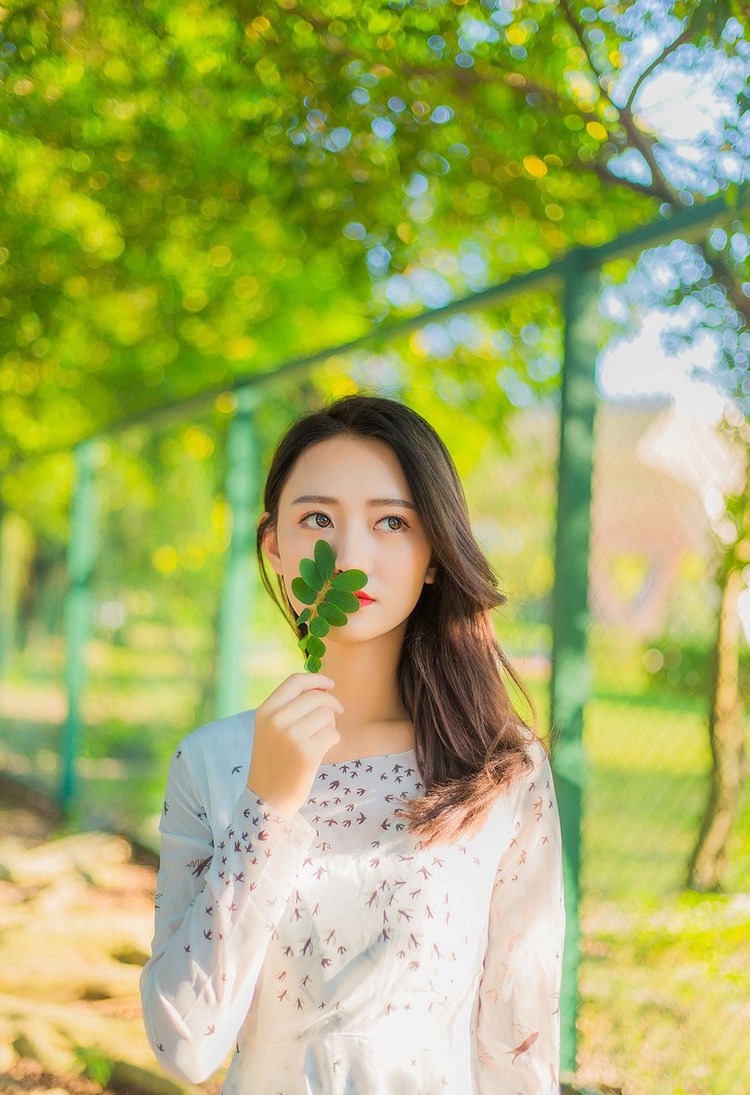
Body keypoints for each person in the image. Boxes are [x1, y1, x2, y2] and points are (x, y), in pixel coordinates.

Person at [140, 394, 565, 1095]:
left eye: (391, 521)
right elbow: (184, 1045)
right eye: (317, 518)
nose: (350, 555)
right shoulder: (211, 762)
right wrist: (268, 807)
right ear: (274, 543)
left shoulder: (499, 769)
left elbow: (518, 1049)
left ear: (435, 554)